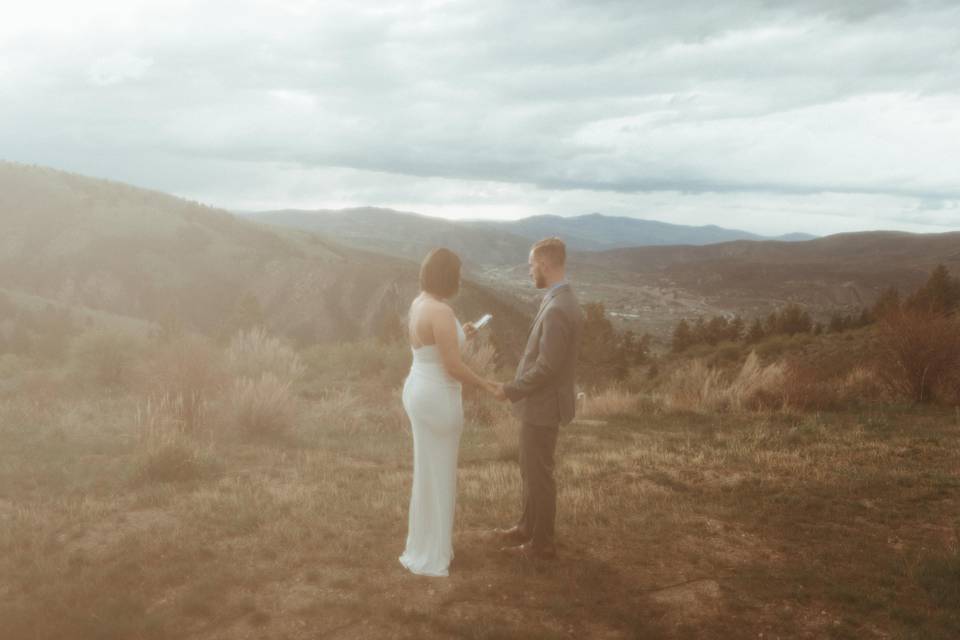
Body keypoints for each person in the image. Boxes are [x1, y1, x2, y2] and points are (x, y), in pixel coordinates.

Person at [399, 247, 499, 577]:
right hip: (438, 396)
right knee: (440, 473)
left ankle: (424, 543)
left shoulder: (420, 303)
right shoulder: (441, 311)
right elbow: (453, 367)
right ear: (449, 276)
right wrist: (487, 385)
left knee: (427, 471)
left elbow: (433, 349)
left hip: (417, 388)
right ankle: (433, 551)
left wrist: (462, 334)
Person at [492, 237, 584, 560]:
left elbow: (547, 367)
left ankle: (541, 544)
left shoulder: (558, 308)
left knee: (540, 474)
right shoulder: (560, 299)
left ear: (545, 264)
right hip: (540, 405)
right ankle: (526, 527)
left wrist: (511, 389)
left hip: (543, 407)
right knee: (531, 470)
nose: (530, 271)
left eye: (532, 265)